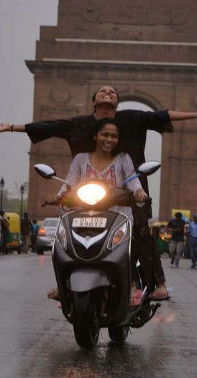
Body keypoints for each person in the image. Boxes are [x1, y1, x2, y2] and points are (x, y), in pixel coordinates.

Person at [0, 85, 197, 300]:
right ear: (93, 102)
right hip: (90, 192)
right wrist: (11, 128)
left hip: (130, 188)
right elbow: (49, 127)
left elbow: (161, 115)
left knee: (141, 232)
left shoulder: (131, 119)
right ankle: (65, 284)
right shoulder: (79, 124)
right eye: (103, 91)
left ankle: (155, 284)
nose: (108, 94)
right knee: (68, 233)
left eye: (113, 93)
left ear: (117, 104)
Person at [44, 119, 148, 305]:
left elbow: (133, 181)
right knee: (61, 244)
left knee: (129, 246)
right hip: (84, 215)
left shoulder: (123, 158)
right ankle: (63, 284)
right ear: (95, 136)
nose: (109, 139)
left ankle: (131, 284)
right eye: (105, 134)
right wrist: (57, 197)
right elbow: (69, 184)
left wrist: (139, 192)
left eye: (114, 136)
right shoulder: (80, 159)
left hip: (118, 215)